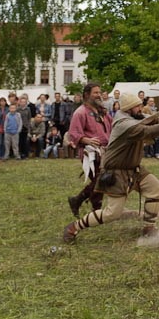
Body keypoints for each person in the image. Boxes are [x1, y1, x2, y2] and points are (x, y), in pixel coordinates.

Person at [62, 93, 159, 242]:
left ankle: (149, 228)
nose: (140, 108)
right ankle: (74, 227)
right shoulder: (124, 125)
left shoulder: (134, 117)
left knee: (155, 188)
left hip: (133, 168)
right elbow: (149, 131)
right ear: (129, 108)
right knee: (112, 213)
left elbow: (156, 120)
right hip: (117, 172)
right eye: (137, 106)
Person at [66, 83, 114, 218]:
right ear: (87, 95)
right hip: (91, 153)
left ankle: (83, 203)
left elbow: (113, 125)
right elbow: (73, 133)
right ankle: (89, 206)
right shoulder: (80, 112)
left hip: (105, 151)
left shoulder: (103, 112)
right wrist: (87, 140)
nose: (99, 95)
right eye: (96, 93)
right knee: (101, 180)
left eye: (100, 92)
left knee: (102, 181)